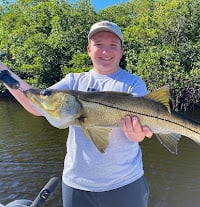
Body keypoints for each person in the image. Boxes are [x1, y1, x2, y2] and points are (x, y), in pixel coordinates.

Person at [0, 20, 153, 207]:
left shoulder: (134, 84)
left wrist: (137, 134)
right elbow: (36, 105)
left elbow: (141, 128)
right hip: (77, 185)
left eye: (113, 45)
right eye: (99, 45)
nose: (105, 51)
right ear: (89, 50)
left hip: (126, 183)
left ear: (122, 51)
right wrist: (2, 71)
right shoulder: (73, 81)